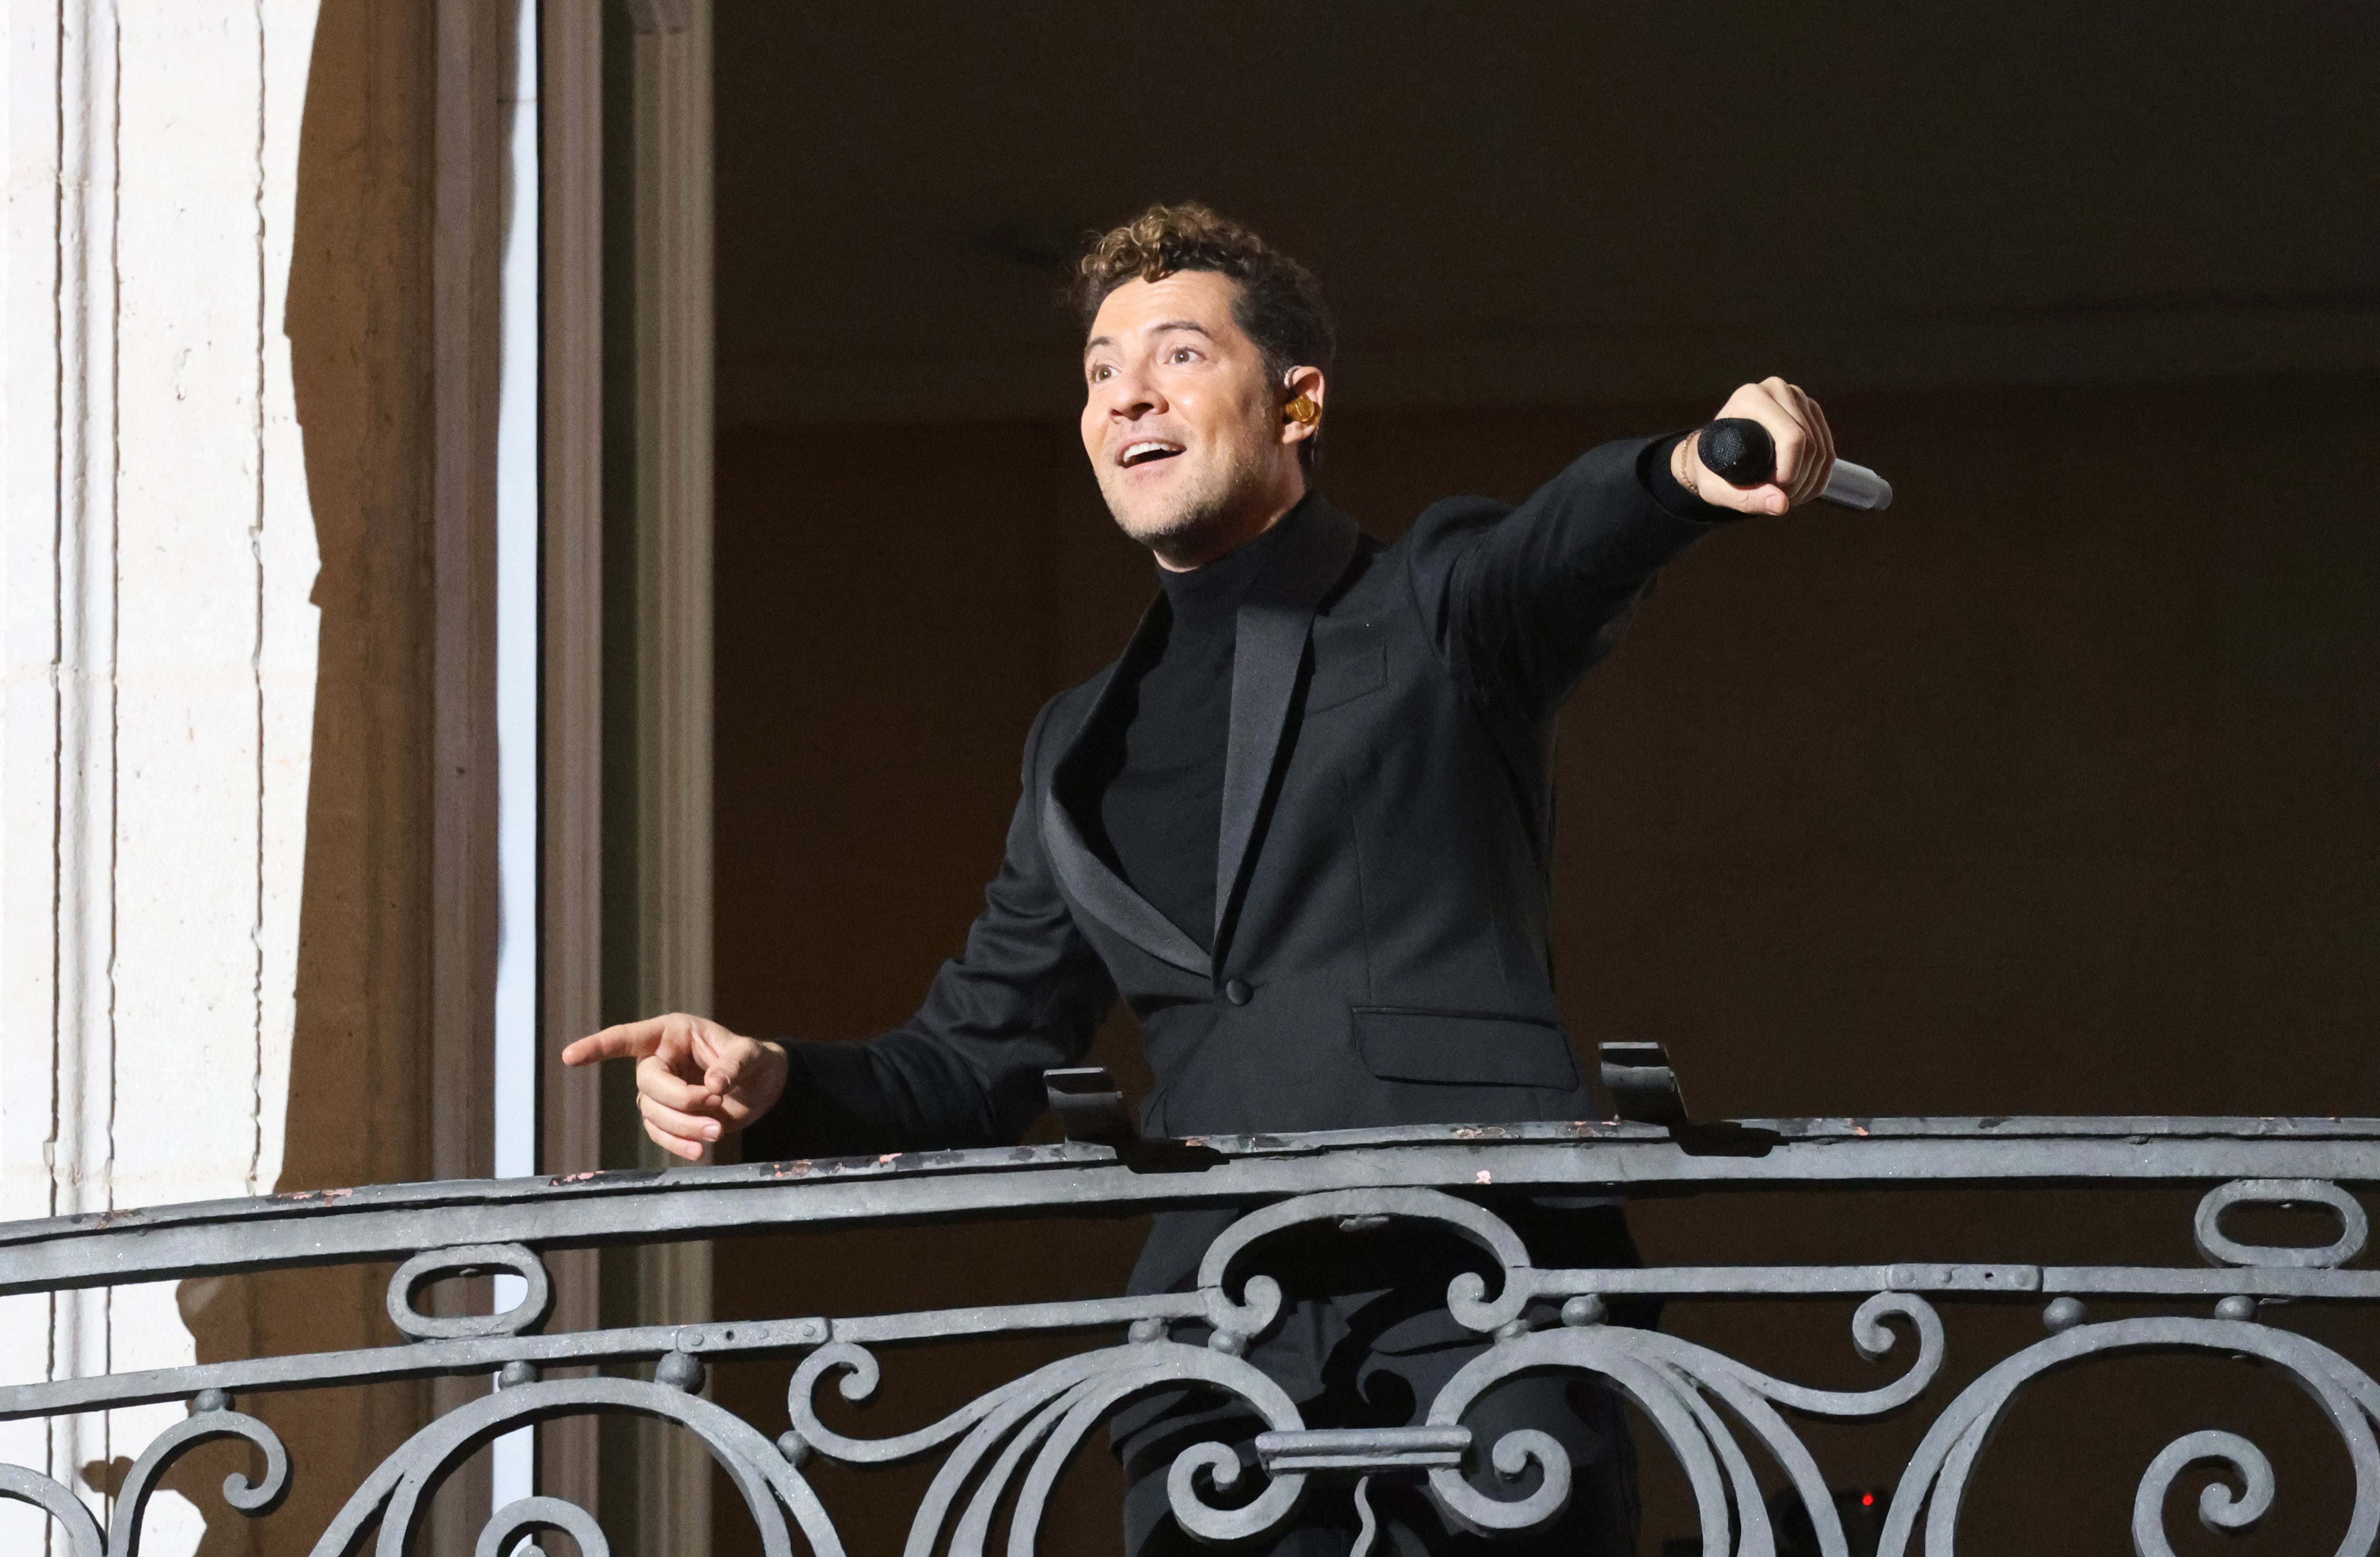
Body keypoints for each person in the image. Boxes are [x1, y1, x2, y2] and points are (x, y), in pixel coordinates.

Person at [564, 202, 1837, 1554]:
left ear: (1297, 403)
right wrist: (773, 1078)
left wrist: (1689, 470)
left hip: (1475, 1282)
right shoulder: (1076, 745)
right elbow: (976, 1054)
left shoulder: (1428, 609)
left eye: (1176, 357)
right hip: (1218, 1332)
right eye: (1101, 374)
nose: (1128, 398)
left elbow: (1560, 548)